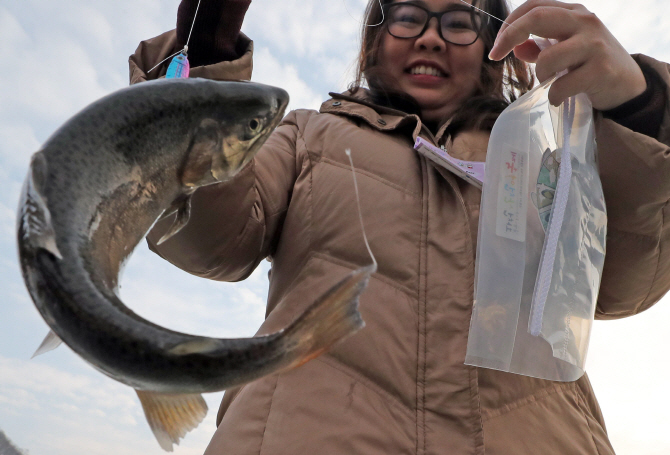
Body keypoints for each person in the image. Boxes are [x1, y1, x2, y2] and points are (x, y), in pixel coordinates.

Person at [129, 0, 670, 453]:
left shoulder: (552, 149)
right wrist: (203, 57)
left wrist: (642, 108)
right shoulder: (305, 137)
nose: (431, 38)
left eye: (459, 21)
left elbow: (623, 286)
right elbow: (206, 239)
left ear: (494, 46)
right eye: (408, 15)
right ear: (374, 40)